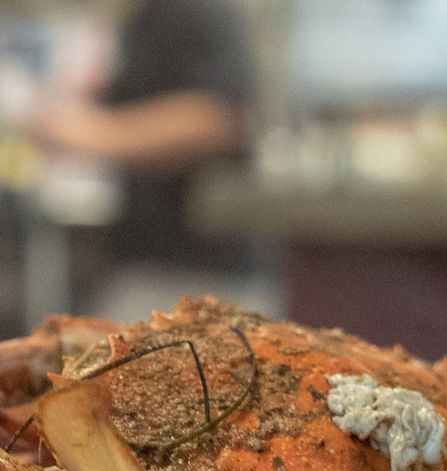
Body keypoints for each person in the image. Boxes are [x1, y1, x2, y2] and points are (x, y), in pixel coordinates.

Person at [25, 0, 277, 318]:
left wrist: (93, 134)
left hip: (201, 273)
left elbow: (215, 118)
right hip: (145, 262)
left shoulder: (197, 10)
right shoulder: (138, 19)